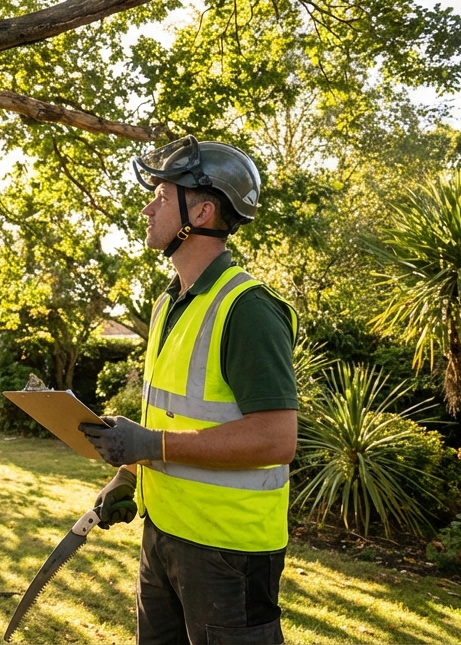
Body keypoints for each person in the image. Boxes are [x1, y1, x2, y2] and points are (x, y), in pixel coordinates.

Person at [79, 134, 298, 645]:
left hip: (229, 554)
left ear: (200, 212)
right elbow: (168, 416)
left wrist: (149, 446)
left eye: (161, 194)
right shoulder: (168, 304)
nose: (147, 206)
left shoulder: (248, 309)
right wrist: (131, 475)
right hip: (164, 536)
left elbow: (276, 440)